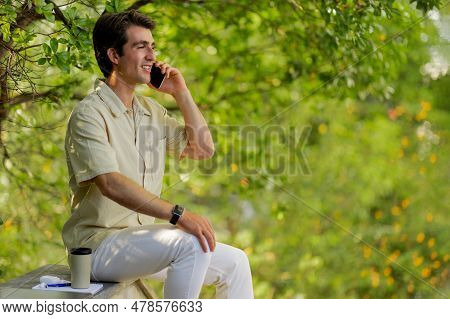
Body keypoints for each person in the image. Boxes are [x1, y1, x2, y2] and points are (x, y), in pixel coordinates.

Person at [61, 10, 254, 299]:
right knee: (189, 243)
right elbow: (110, 183)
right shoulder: (89, 113)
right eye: (141, 46)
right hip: (98, 247)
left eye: (153, 46)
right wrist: (178, 215)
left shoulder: (151, 112)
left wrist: (180, 92)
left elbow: (202, 149)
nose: (152, 55)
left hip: (141, 243)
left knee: (235, 263)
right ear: (114, 55)